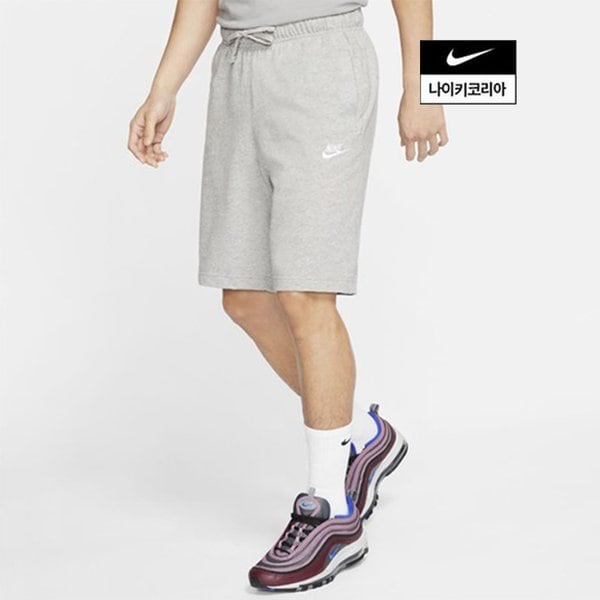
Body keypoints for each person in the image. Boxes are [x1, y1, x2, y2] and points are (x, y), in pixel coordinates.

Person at [128, 0, 448, 592]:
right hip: (237, 69)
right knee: (244, 296)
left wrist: (423, 86)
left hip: (321, 62)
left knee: (305, 292)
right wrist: (163, 88)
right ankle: (363, 437)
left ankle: (332, 511)